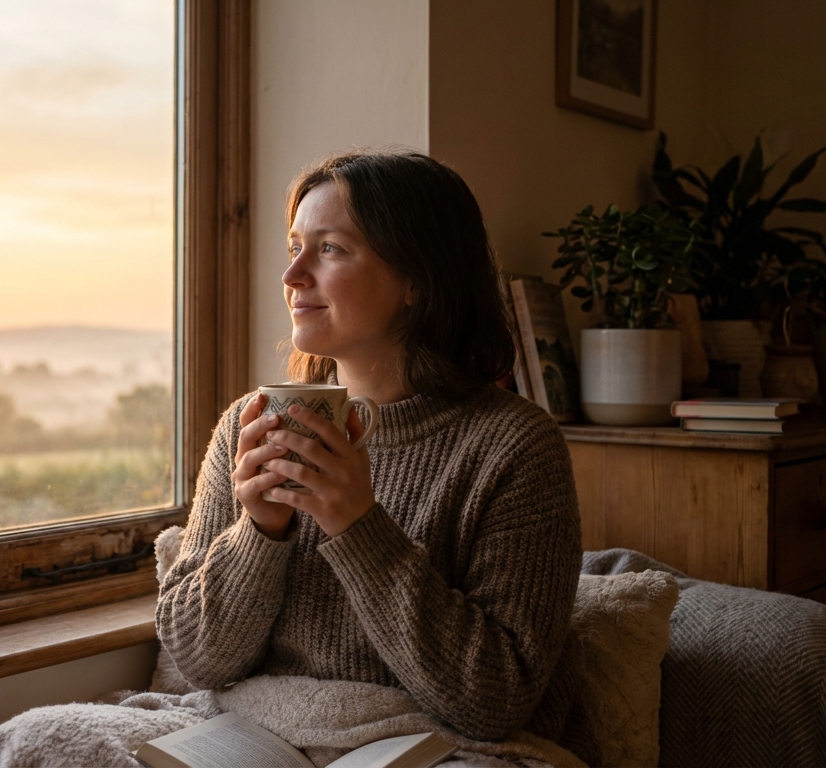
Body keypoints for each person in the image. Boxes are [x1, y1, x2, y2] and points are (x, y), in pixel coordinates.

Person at [155, 150, 582, 741]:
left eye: (329, 249)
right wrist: (259, 531)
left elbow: (497, 698)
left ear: (417, 278)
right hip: (252, 735)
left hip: (414, 748)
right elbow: (196, 663)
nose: (292, 275)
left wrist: (358, 527)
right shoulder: (247, 428)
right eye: (294, 247)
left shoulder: (514, 447)